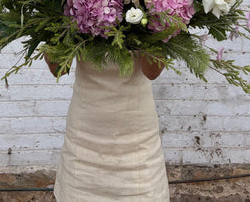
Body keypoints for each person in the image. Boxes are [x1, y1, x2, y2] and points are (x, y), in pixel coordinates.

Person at [46, 53, 170, 201]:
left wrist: (160, 32)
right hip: (85, 135)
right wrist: (55, 33)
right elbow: (58, 69)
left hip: (135, 136)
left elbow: (152, 72)